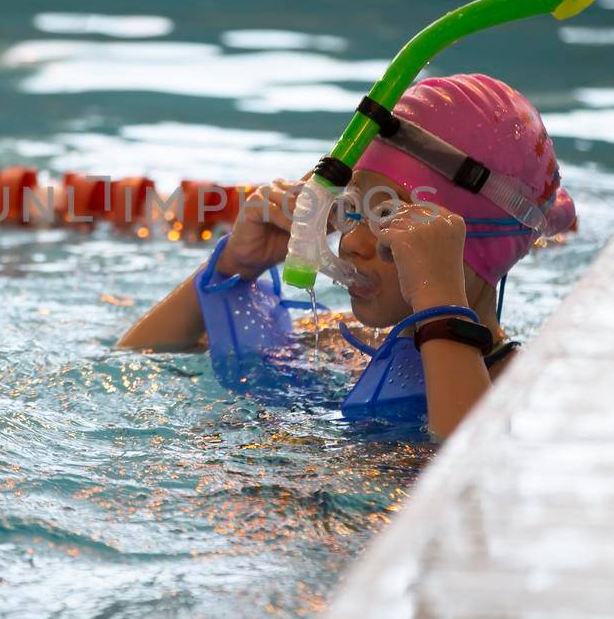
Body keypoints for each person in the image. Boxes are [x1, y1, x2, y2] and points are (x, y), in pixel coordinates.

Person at [117, 73, 575, 441]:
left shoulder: (521, 387)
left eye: (390, 216)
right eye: (353, 209)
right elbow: (138, 360)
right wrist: (234, 267)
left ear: (468, 244)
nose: (352, 243)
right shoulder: (345, 345)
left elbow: (469, 479)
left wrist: (439, 302)